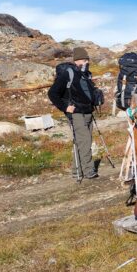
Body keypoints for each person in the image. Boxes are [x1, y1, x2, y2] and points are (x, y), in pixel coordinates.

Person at [48, 47, 98, 179]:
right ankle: (88, 171)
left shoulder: (87, 74)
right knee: (85, 141)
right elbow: (52, 93)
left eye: (87, 60)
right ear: (76, 61)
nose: (86, 62)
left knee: (81, 142)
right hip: (76, 114)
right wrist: (65, 107)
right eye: (83, 60)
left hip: (88, 112)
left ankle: (77, 170)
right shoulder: (68, 73)